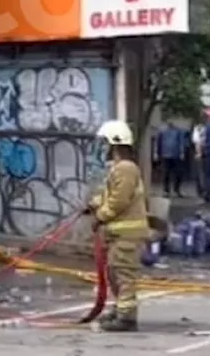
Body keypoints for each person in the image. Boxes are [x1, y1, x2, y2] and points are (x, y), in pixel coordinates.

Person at [87, 120, 150, 332]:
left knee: (124, 275)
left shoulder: (125, 168)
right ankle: (121, 310)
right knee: (115, 273)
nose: (103, 149)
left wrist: (100, 217)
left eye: (105, 143)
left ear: (115, 144)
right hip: (118, 234)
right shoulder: (119, 169)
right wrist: (93, 204)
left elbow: (118, 201)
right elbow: (110, 195)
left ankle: (127, 318)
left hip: (127, 235)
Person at [156, 121, 188, 197]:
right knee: (167, 173)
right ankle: (168, 190)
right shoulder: (163, 131)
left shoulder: (178, 131)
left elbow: (181, 142)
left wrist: (182, 152)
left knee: (177, 173)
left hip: (174, 154)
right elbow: (159, 143)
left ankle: (175, 189)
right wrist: (157, 153)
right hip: (167, 154)